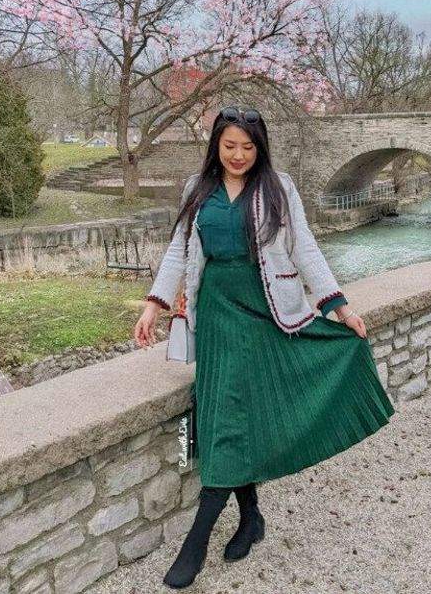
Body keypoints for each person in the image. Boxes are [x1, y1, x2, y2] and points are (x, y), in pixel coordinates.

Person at [133, 105, 395, 589]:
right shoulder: (198, 189)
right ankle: (251, 516)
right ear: (216, 144)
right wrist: (154, 304)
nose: (238, 155)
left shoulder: (280, 187)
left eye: (248, 147)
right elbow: (180, 248)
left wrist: (340, 308)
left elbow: (305, 248)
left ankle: (197, 543)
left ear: (261, 147)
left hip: (268, 312)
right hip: (215, 314)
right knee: (228, 415)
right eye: (229, 145)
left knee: (235, 417)